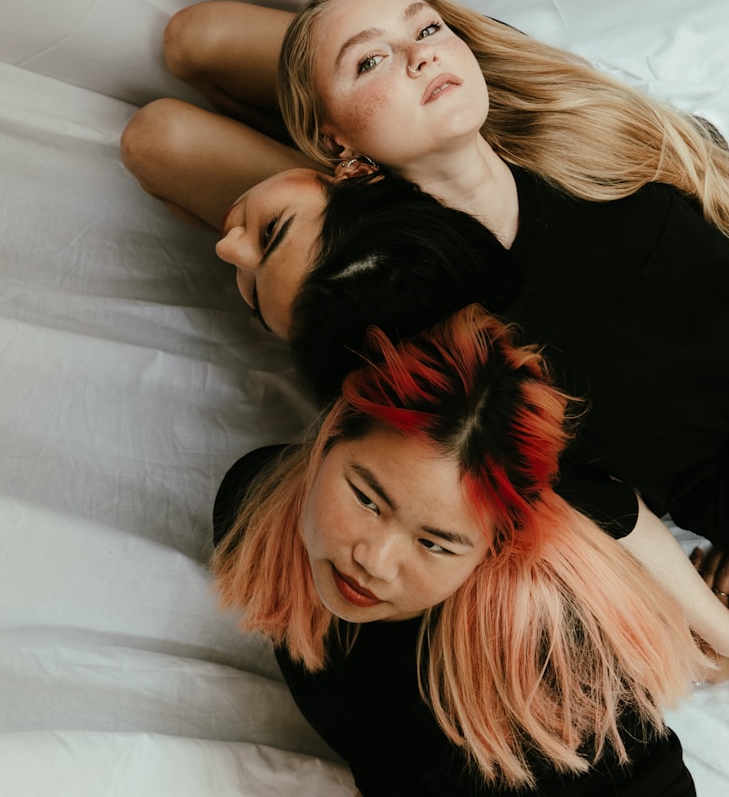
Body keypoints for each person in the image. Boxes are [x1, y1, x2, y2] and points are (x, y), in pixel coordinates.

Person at [120, 0, 729, 584]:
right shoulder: (577, 134)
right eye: (376, 58)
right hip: (467, 167)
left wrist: (366, 77)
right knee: (195, 44)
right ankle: (347, 98)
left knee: (171, 107)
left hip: (392, 227)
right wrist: (377, 53)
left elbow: (588, 504)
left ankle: (349, 108)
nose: (420, 54)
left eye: (428, 30)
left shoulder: (438, 323)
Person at [212, 307, 710, 797]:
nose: (374, 561)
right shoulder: (249, 510)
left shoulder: (541, 670)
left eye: (434, 543)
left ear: (493, 549)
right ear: (331, 434)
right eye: (366, 499)